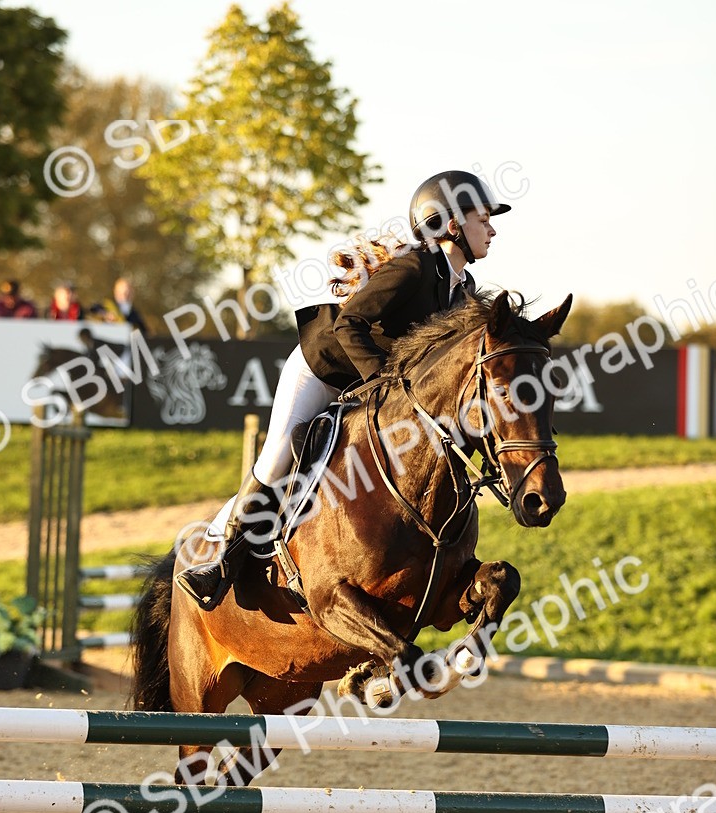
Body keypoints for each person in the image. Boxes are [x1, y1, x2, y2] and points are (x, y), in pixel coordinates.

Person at [176, 169, 510, 610]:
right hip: (323, 370)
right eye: (483, 218)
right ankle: (217, 560)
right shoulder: (411, 268)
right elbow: (350, 322)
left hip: (374, 386)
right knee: (279, 456)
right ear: (451, 224)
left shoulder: (464, 291)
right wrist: (386, 383)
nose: (492, 228)